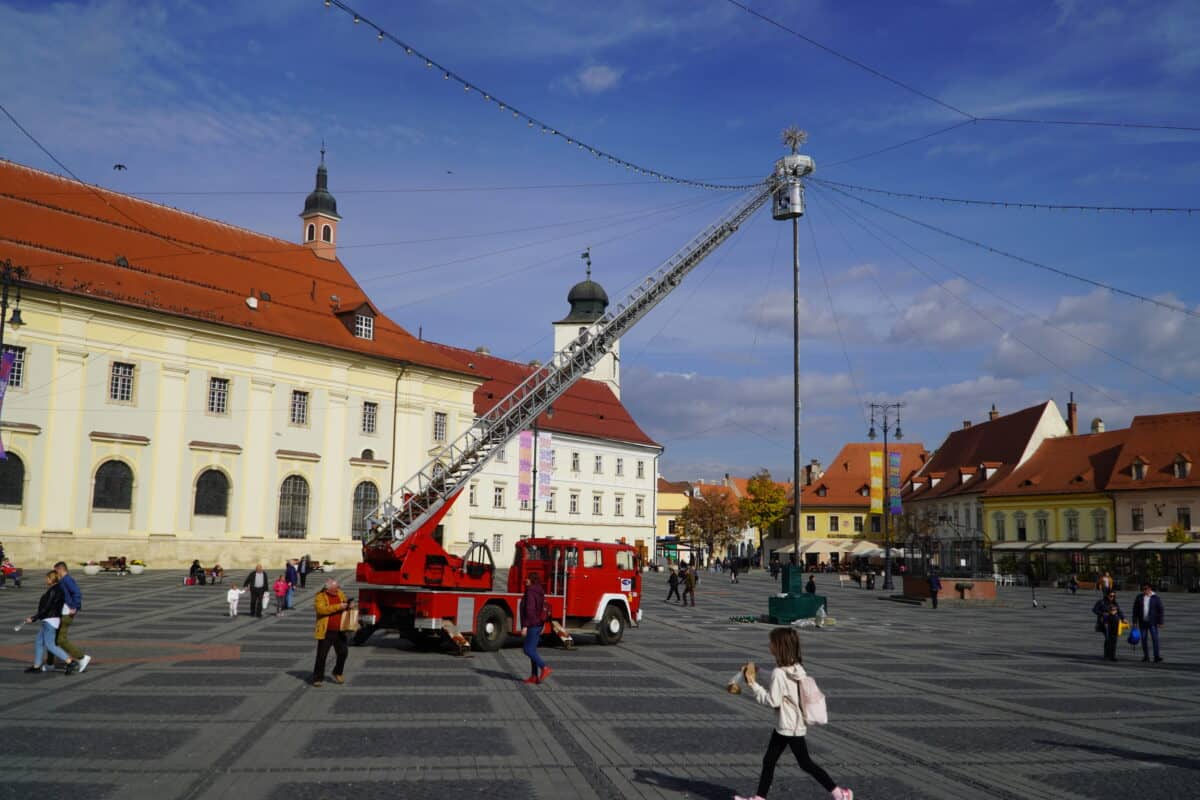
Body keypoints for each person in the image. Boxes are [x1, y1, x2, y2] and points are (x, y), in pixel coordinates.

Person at [735, 627, 853, 800]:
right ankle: (760, 798)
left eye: (771, 642)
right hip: (793, 723)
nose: (769, 646)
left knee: (804, 763)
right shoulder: (795, 667)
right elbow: (781, 681)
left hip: (788, 725)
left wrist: (753, 684)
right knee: (772, 761)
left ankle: (840, 793)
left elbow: (772, 700)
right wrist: (759, 672)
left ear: (779, 646)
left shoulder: (779, 672)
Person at [24, 571, 79, 674]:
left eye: (47, 578)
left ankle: (70, 661)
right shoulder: (57, 589)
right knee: (39, 642)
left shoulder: (54, 590)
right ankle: (36, 666)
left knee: (50, 645)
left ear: (51, 579)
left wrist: (34, 618)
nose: (46, 580)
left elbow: (47, 607)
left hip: (50, 619)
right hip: (50, 619)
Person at [311, 578, 352, 687]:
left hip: (340, 630)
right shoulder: (320, 596)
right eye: (335, 588)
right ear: (328, 589)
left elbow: (345, 604)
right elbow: (321, 610)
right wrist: (339, 606)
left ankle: (337, 672)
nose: (337, 589)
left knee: (343, 653)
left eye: (338, 587)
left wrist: (348, 606)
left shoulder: (340, 593)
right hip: (326, 631)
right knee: (322, 656)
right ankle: (317, 678)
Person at [53, 562, 91, 673]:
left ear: (60, 570)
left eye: (56, 571)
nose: (55, 574)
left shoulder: (67, 580)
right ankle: (58, 661)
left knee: (61, 639)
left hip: (67, 612)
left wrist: (75, 606)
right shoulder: (64, 580)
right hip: (63, 612)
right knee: (56, 639)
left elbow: (77, 593)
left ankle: (81, 657)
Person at [519, 573, 552, 685]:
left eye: (527, 578)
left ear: (531, 580)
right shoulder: (540, 591)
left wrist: (525, 626)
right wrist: (543, 624)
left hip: (533, 624)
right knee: (532, 650)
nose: (525, 580)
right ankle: (534, 676)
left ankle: (544, 667)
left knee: (527, 650)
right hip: (539, 624)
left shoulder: (530, 592)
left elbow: (530, 610)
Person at [1130, 582, 1164, 663]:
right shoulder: (1139, 597)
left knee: (1155, 639)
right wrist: (1134, 621)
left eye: (1145, 589)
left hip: (1153, 622)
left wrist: (1160, 622)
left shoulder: (1155, 598)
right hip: (1143, 622)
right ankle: (1146, 656)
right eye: (1143, 589)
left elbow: (1161, 610)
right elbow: (1135, 610)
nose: (1144, 590)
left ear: (1149, 589)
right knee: (1144, 639)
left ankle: (1156, 656)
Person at [1092, 590, 1124, 662]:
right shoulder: (1101, 602)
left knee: (1114, 640)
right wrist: (1103, 613)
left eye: (1113, 596)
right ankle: (1106, 656)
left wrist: (1123, 618)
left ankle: (1112, 656)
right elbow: (1094, 610)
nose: (1112, 597)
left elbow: (1119, 612)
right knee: (1108, 638)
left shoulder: (1115, 603)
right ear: (1107, 595)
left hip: (1115, 623)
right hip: (1105, 623)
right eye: (1111, 596)